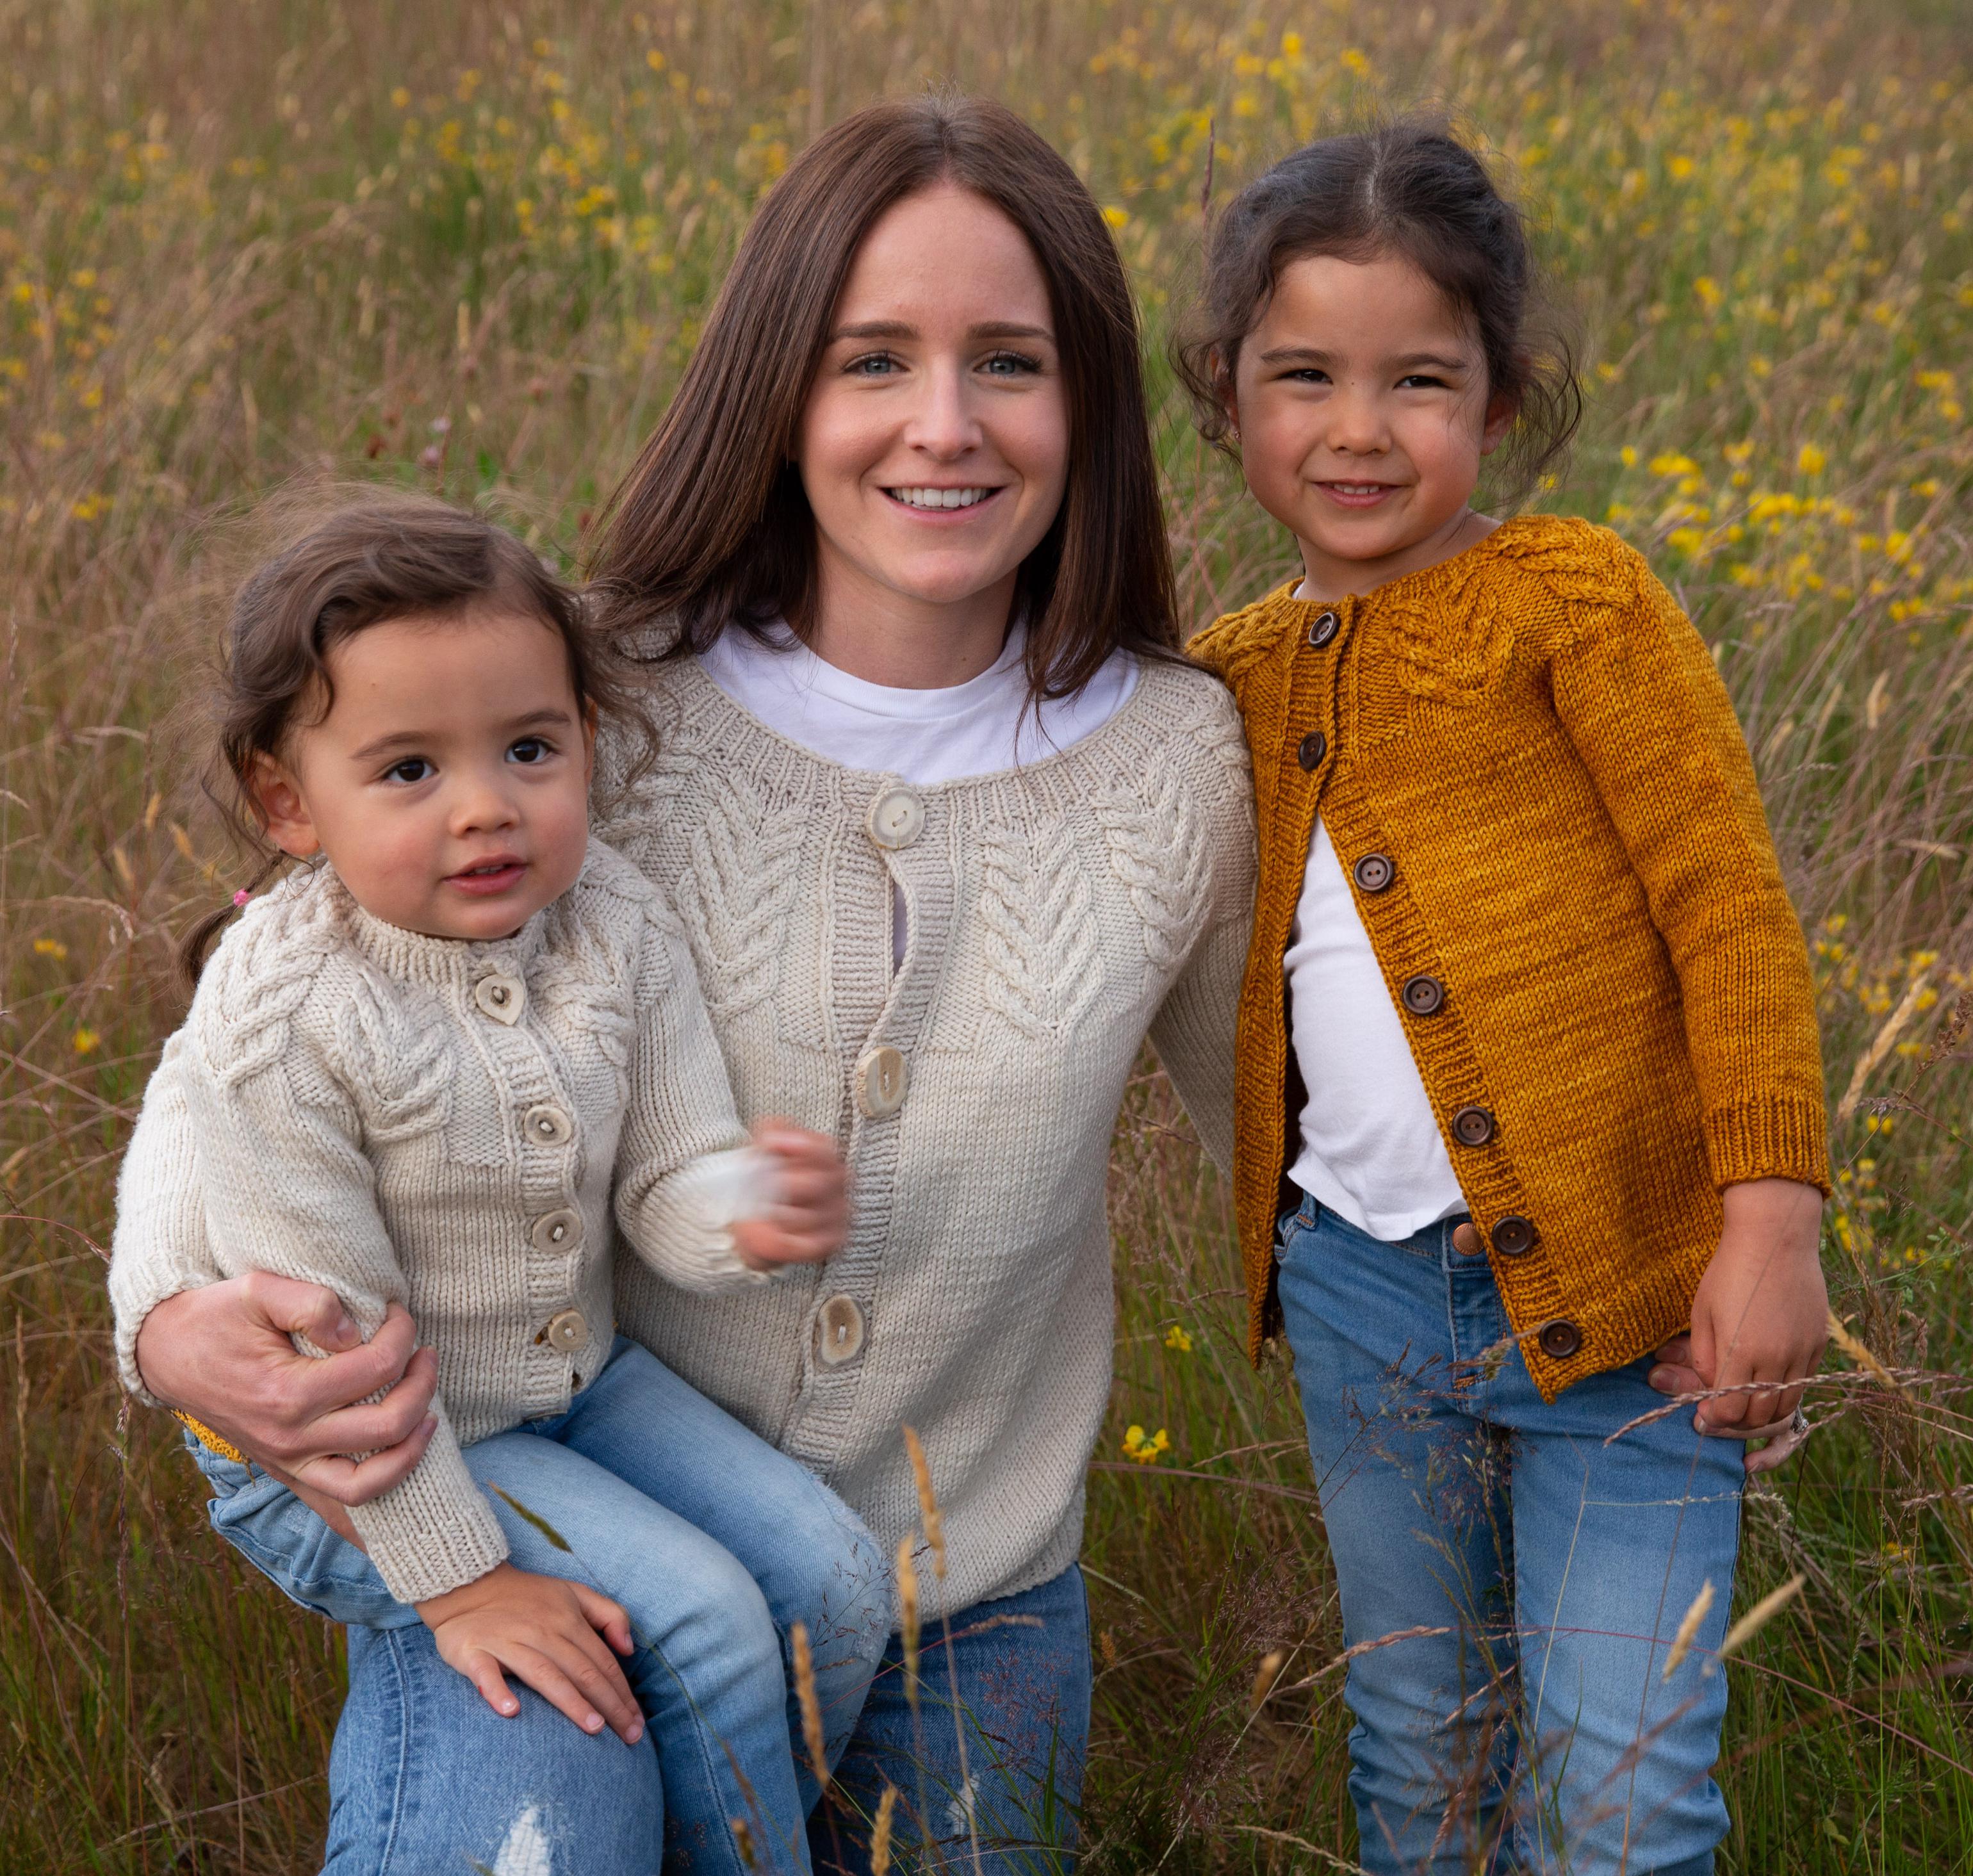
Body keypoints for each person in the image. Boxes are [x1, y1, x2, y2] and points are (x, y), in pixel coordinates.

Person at [113, 96, 1256, 1874]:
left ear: (1087, 402)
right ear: (779, 388)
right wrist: (168, 1328)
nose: (942, 424)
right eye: (874, 356)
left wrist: (1715, 1225)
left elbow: (1313, 1139)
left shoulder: (1184, 758)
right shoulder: (577, 703)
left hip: (966, 1594)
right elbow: (258, 1040)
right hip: (544, 1502)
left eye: (1010, 362)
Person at [1183, 121, 1831, 1875]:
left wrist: (1767, 1214)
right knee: (1422, 1753)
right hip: (1357, 1297)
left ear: (1498, 394)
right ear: (1226, 395)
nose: (1358, 428)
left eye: (1420, 379)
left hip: (1630, 1302)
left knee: (1620, 1795)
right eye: (1301, 376)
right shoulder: (1225, 681)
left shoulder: (1573, 602)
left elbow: (1729, 906)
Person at [109, 496, 886, 1875]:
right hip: (358, 1453)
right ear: (288, 799)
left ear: (588, 739)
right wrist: (466, 1587)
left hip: (574, 1387)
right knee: (703, 1616)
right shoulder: (288, 1019)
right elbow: (328, 1371)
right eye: (408, 769)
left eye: (530, 747)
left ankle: (741, 1821)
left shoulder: (616, 924)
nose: (487, 807)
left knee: (830, 1575)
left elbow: (667, 1178)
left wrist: (741, 1212)